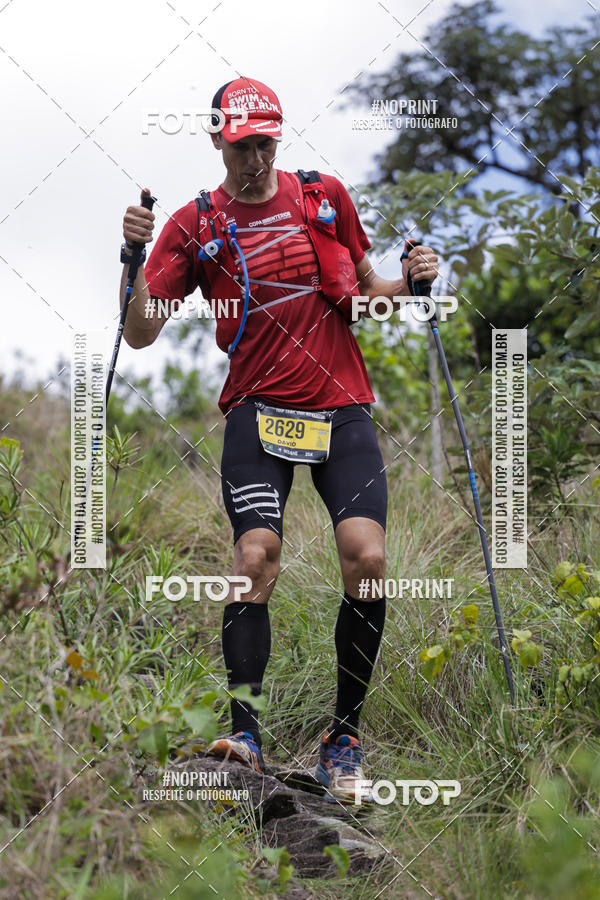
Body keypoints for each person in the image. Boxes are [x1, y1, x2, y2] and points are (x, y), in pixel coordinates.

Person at [120, 77, 438, 802]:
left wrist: (412, 283)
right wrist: (133, 263)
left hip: (341, 408)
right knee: (255, 556)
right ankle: (246, 735)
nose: (256, 157)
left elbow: (364, 293)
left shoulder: (323, 197)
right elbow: (140, 333)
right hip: (258, 415)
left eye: (266, 141)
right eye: (242, 145)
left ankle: (343, 739)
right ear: (216, 141)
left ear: (278, 136)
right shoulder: (194, 225)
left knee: (369, 558)